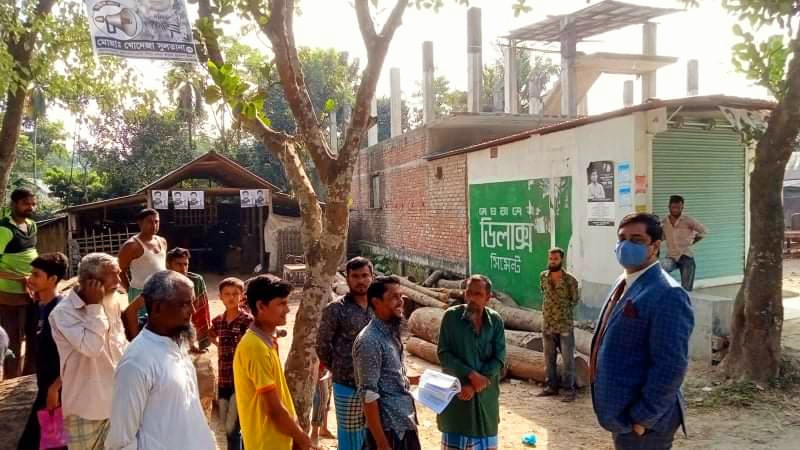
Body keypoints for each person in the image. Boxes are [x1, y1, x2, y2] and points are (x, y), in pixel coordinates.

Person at [590, 213, 694, 450]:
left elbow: (671, 365)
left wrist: (643, 418)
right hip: (622, 412)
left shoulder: (667, 293)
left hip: (645, 425)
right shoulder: (625, 281)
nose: (626, 246)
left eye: (636, 240)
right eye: (622, 239)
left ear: (655, 247)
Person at [105, 271, 216, 450]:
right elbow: (121, 440)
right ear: (157, 307)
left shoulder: (178, 344)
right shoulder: (136, 362)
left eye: (192, 303)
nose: (193, 311)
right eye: (184, 304)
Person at [49, 253, 128, 450]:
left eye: (119, 274)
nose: (118, 281)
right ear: (90, 281)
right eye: (112, 275)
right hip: (86, 410)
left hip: (118, 405)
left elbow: (121, 346)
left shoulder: (112, 302)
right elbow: (92, 348)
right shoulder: (63, 313)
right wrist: (94, 307)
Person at [234, 275, 311, 450]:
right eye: (281, 304)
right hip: (267, 443)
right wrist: (301, 438)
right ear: (261, 306)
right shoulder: (255, 347)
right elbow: (274, 410)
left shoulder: (265, 341)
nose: (287, 309)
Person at [437, 274, 506, 450]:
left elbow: (499, 359)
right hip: (457, 395)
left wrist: (475, 386)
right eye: (469, 293)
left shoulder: (495, 321)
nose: (472, 298)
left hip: (485, 398)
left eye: (478, 294)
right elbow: (444, 354)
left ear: (488, 298)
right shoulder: (451, 317)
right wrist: (470, 374)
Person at [353, 276, 420, 450]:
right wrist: (382, 443)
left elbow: (388, 378)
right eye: (394, 297)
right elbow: (368, 395)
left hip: (404, 424)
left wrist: (416, 380)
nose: (401, 301)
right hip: (389, 432)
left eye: (401, 296)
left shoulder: (391, 333)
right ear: (376, 302)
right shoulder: (369, 341)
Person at [315, 257, 374, 450]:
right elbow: (322, 345)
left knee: (375, 437)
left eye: (365, 275)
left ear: (372, 277)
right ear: (347, 279)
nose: (360, 280)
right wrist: (339, 367)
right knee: (350, 441)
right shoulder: (335, 309)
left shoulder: (380, 307)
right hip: (347, 385)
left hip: (377, 386)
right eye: (355, 276)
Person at [17, 252, 68, 450]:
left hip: (56, 391)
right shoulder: (36, 307)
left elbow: (72, 356)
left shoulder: (61, 311)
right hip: (44, 387)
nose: (30, 278)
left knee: (45, 442)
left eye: (36, 275)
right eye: (31, 273)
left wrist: (55, 388)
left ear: (53, 279)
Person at [209, 277, 253, 450]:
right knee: (228, 428)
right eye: (227, 294)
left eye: (235, 294)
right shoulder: (218, 321)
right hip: (224, 381)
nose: (231, 297)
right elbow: (209, 334)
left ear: (242, 296)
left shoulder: (247, 321)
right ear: (220, 297)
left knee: (235, 428)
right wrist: (218, 344)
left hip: (242, 381)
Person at [0, 187, 39, 378]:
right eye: (25, 204)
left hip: (33, 292)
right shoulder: (4, 229)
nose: (30, 207)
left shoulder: (32, 225)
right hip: (10, 295)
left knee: (34, 336)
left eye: (33, 204)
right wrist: (20, 278)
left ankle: (29, 378)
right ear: (13, 204)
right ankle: (11, 380)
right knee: (12, 340)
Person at [537, 247, 580, 402]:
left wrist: (561, 310)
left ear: (562, 260)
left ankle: (569, 390)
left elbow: (574, 300)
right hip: (547, 324)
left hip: (564, 325)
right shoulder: (543, 277)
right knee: (549, 359)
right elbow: (544, 293)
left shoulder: (570, 281)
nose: (552, 261)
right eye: (550, 258)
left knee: (568, 360)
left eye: (555, 259)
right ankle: (551, 387)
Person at [118, 209, 166, 334]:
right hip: (140, 294)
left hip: (161, 292)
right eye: (149, 222)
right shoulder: (131, 245)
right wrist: (129, 289)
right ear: (139, 223)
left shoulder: (162, 241)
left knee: (161, 326)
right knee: (143, 329)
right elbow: (120, 270)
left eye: (156, 222)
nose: (154, 225)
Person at [166, 247, 212, 350]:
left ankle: (191, 343)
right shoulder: (163, 281)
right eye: (178, 264)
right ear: (169, 265)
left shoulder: (196, 280)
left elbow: (201, 309)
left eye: (185, 264)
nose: (183, 268)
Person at [661, 195, 707, 291]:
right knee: (661, 270)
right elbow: (661, 238)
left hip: (686, 257)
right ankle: (671, 291)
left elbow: (703, 231)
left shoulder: (688, 220)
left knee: (687, 289)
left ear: (682, 207)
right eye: (673, 207)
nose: (676, 210)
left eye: (679, 208)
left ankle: (685, 296)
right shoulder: (664, 222)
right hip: (671, 256)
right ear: (669, 207)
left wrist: (692, 241)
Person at [310, 366, 334, 449]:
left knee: (328, 392)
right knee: (322, 396)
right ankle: (314, 433)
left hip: (329, 364)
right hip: (318, 364)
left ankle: (323, 428)